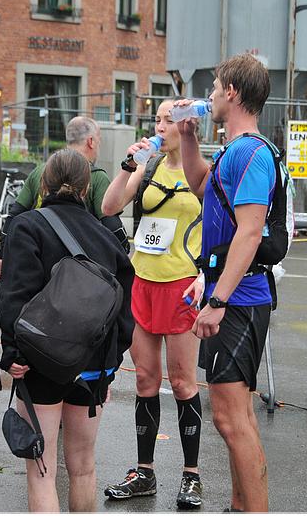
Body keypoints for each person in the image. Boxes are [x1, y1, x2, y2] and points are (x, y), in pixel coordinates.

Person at [0, 149, 135, 512]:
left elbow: (14, 298)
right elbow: (123, 304)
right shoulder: (106, 236)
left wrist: (12, 354)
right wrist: (112, 360)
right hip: (92, 366)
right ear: (88, 187)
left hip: (40, 362)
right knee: (84, 468)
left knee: (42, 471)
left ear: (43, 184)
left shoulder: (26, 227)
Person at [177, 53, 278, 512]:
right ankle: (240, 506)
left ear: (233, 92)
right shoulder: (235, 151)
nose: (211, 97)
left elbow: (251, 231)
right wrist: (186, 138)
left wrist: (217, 299)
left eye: (216, 88)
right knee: (235, 417)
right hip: (233, 296)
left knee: (232, 420)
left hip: (238, 300)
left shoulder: (253, 152)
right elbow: (202, 185)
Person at [101, 99, 205, 508]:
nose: (161, 127)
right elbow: (109, 207)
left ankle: (191, 476)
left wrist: (205, 275)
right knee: (145, 381)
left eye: (169, 121)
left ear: (186, 126)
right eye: (158, 120)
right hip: (142, 281)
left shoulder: (202, 172)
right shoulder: (149, 167)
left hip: (182, 285)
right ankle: (144, 472)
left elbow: (221, 225)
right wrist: (129, 165)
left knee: (182, 384)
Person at [0, 116, 128, 280]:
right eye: (99, 141)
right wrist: (123, 253)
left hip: (37, 259)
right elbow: (112, 225)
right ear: (91, 141)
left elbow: (15, 213)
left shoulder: (39, 171)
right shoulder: (96, 177)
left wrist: (1, 254)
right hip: (77, 269)